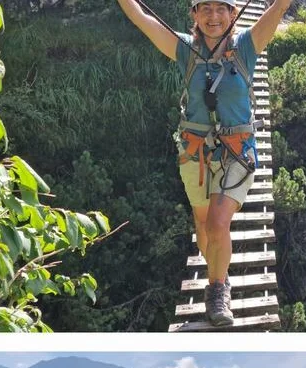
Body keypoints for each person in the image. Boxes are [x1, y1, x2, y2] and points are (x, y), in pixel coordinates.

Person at [116, 0, 291, 325]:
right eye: (205, 9)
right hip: (196, 152)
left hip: (236, 151)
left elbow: (279, 7)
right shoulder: (185, 49)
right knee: (202, 224)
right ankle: (215, 269)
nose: (214, 17)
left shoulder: (248, 46)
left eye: (221, 9)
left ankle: (217, 288)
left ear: (232, 14)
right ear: (194, 15)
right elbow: (141, 19)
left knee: (216, 223)